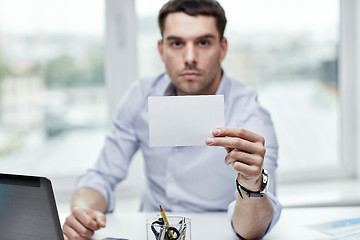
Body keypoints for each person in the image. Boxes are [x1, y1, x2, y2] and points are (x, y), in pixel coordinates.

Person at [62, 0, 282, 239]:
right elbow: (101, 176)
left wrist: (252, 183)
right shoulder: (140, 96)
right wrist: (82, 210)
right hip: (154, 231)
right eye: (177, 43)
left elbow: (252, 230)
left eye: (203, 42)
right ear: (161, 49)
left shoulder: (250, 115)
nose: (189, 57)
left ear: (223, 48)